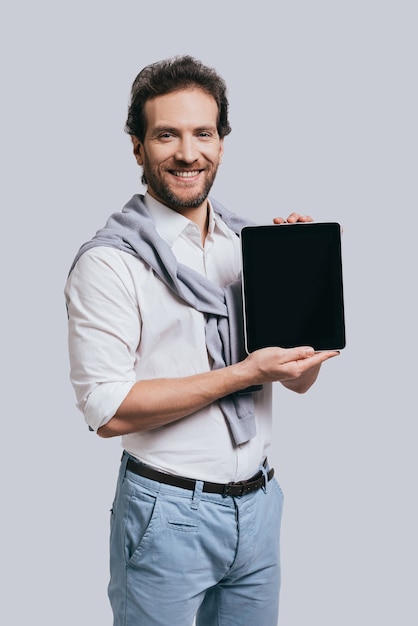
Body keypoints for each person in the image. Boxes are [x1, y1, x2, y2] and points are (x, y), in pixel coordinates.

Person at [65, 55, 339, 626]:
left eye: (203, 133)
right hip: (167, 512)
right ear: (138, 147)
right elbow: (106, 411)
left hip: (260, 505)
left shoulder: (247, 244)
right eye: (166, 134)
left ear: (222, 141)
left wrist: (303, 294)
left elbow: (299, 379)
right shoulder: (110, 263)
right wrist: (245, 374)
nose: (188, 153)